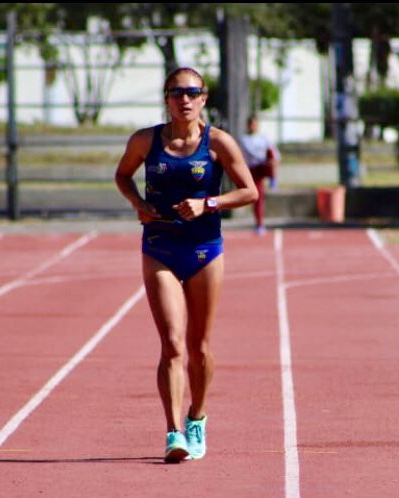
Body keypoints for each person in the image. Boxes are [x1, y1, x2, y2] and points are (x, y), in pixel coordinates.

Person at [114, 67, 258, 463]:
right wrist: (138, 203)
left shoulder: (218, 142)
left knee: (199, 347)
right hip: (159, 248)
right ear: (166, 98)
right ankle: (173, 431)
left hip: (204, 250)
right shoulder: (145, 140)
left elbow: (249, 191)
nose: (185, 99)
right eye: (177, 92)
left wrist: (208, 203)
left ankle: (197, 417)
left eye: (193, 92)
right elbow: (123, 175)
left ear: (204, 98)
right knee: (173, 345)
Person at [238, 115, 280, 235]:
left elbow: (275, 154)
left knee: (271, 155)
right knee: (257, 196)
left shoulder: (264, 138)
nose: (253, 126)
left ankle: (273, 179)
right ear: (248, 125)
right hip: (252, 169)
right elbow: (243, 155)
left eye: (255, 124)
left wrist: (272, 163)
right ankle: (259, 223)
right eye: (251, 124)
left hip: (263, 167)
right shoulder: (243, 139)